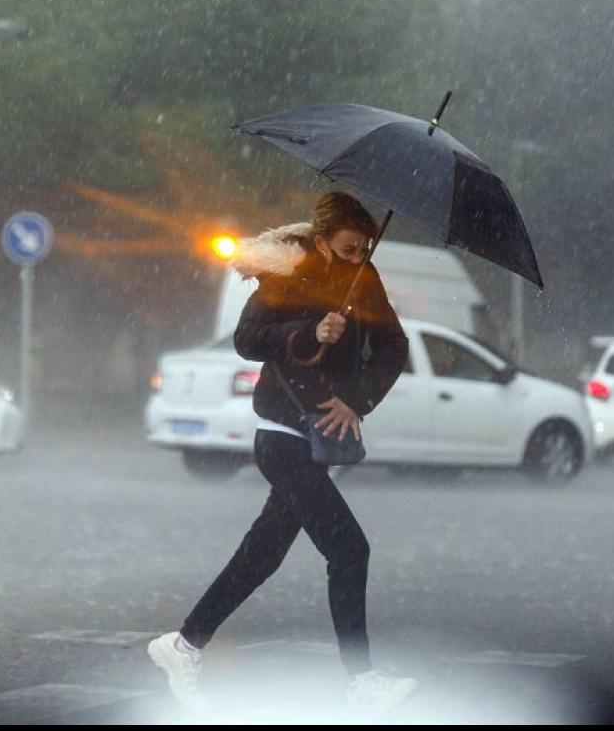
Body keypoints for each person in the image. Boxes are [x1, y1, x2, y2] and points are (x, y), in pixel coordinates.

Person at [148, 191, 416, 713]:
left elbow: (395, 346)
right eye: (348, 248)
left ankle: (182, 645)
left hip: (319, 438)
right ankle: (361, 682)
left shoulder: (366, 281)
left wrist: (357, 402)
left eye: (365, 248)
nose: (358, 256)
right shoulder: (291, 274)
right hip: (281, 436)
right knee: (349, 549)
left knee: (262, 556)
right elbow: (247, 338)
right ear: (322, 243)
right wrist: (308, 331)